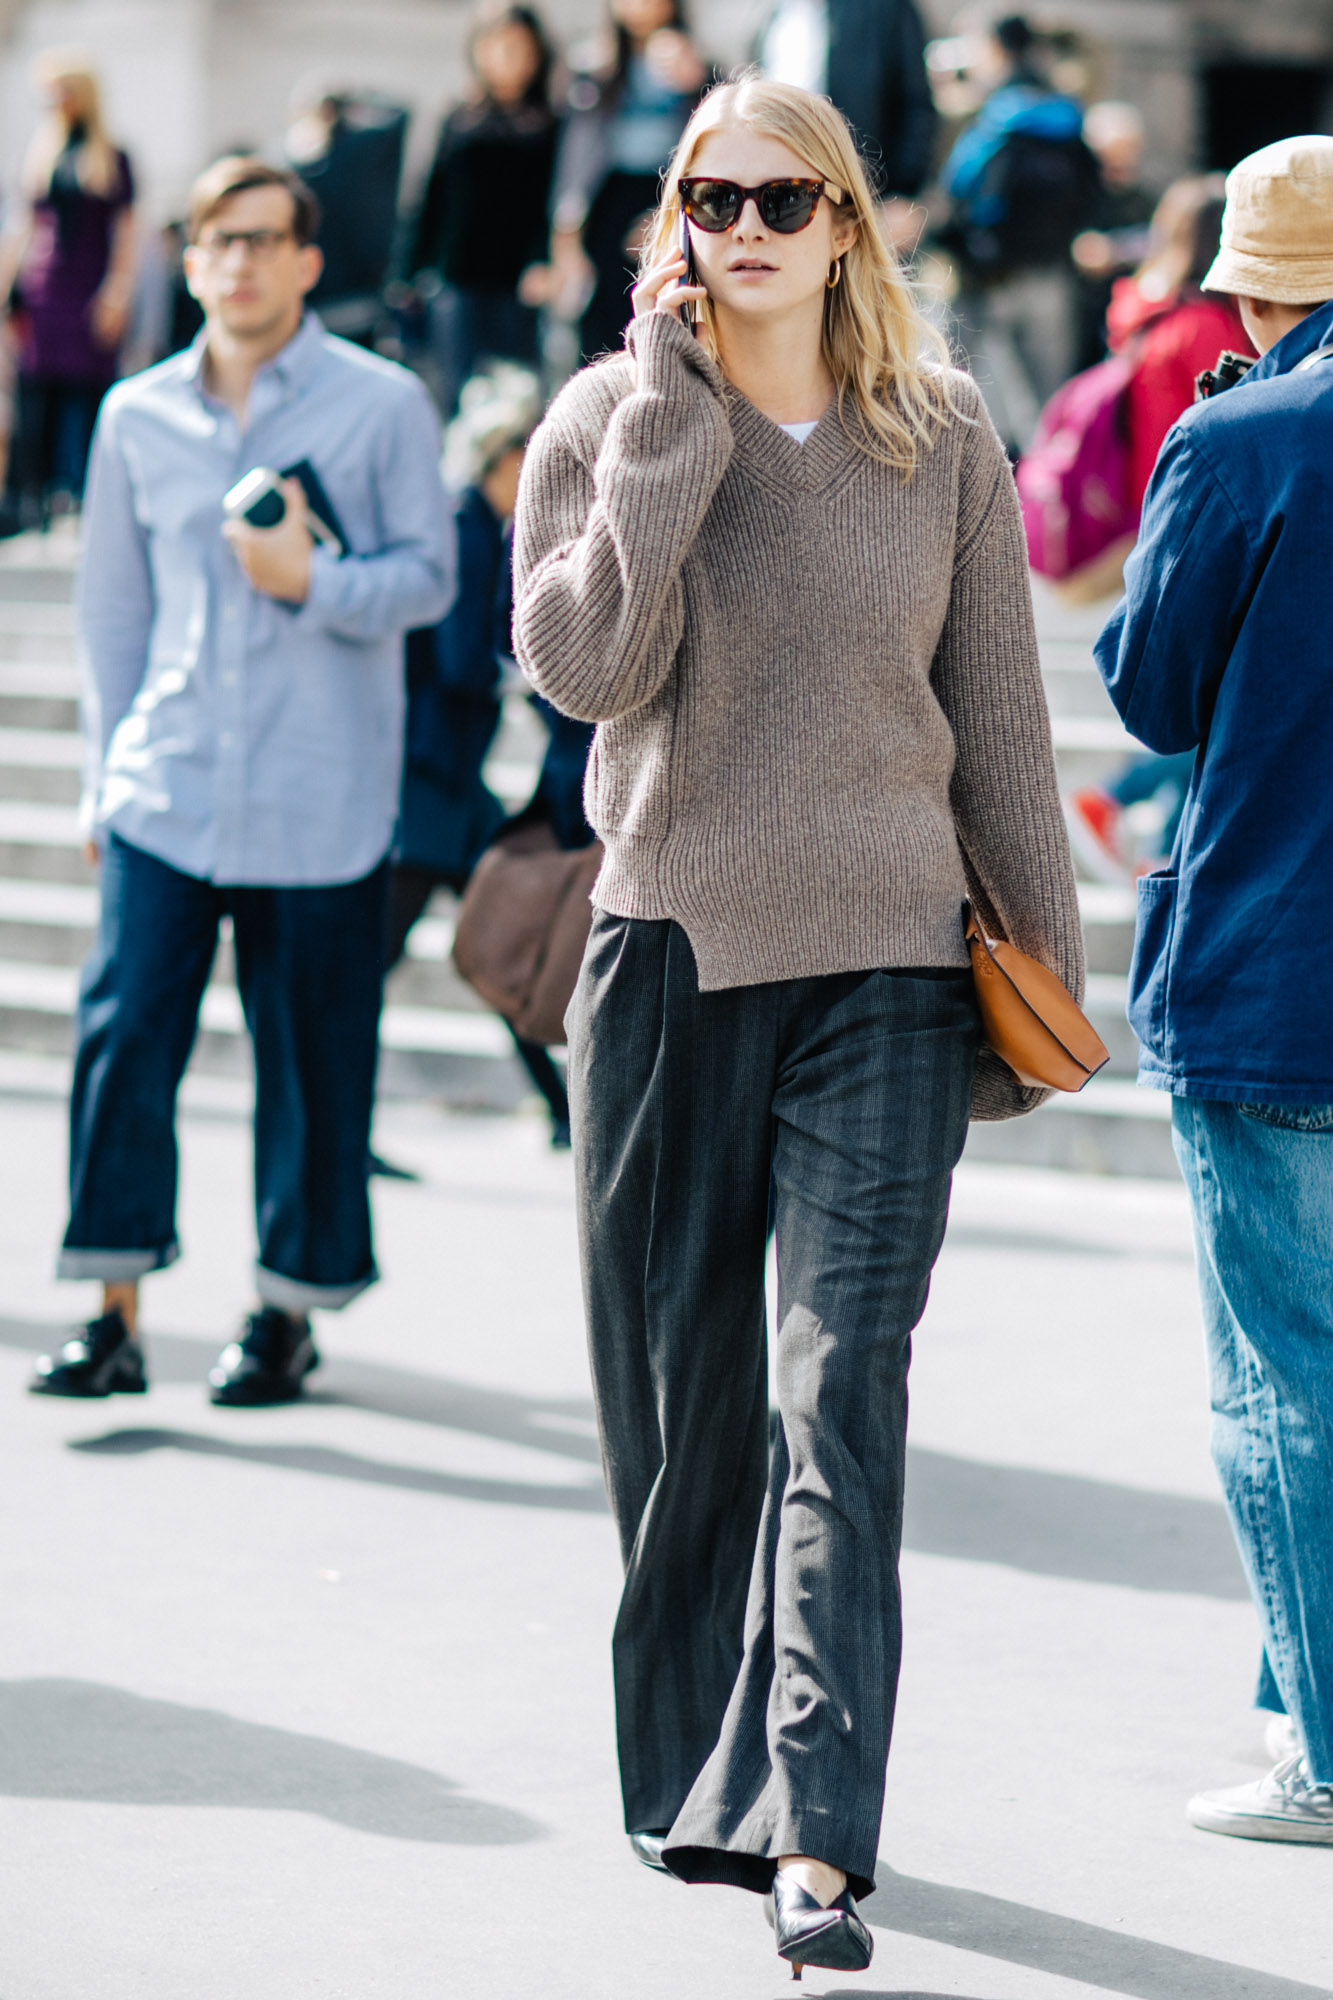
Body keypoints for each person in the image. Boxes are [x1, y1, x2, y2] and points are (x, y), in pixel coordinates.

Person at [513, 73, 1082, 1974]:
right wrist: (671, 428)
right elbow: (589, 668)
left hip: (888, 978)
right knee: (686, 1418)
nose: (739, 226)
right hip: (670, 961)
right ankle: (699, 1773)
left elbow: (998, 719)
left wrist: (1042, 980)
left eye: (777, 197)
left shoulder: (936, 435)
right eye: (707, 196)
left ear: (844, 220)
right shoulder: (604, 422)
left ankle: (821, 1830)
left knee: (841, 1388)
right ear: (672, 219)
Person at [29, 156, 452, 1408]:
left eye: (268, 239)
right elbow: (114, 611)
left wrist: (310, 585)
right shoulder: (136, 416)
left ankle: (285, 1311)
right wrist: (107, 778)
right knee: (123, 1042)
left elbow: (430, 580)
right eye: (221, 240)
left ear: (310, 262)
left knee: (311, 1060)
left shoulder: (380, 406)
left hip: (322, 800)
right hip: (168, 786)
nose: (244, 261)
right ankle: (112, 1311)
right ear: (194, 256)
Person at [1094, 134, 1333, 1845]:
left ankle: (1323, 1751)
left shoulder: (1240, 434)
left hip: (1275, 964)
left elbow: (1150, 697)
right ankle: (1290, 1701)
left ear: (1247, 287)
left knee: (1280, 1379)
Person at [385, 362, 590, 1149]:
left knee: (502, 938)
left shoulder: (484, 528)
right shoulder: (465, 528)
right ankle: (559, 1110)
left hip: (449, 784)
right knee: (458, 946)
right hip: (428, 782)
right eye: (525, 460)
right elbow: (459, 659)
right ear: (501, 459)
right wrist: (525, 674)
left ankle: (561, 1110)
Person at [1064, 177, 1252, 882]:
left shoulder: (1150, 315)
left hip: (1159, 518)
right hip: (1196, 529)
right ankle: (1125, 804)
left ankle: (1156, 843)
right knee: (1217, 693)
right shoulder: (1207, 331)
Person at [940, 14, 1098, 454]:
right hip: (1052, 273)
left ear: (996, 48)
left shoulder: (991, 114)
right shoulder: (1066, 112)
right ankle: (1048, 501)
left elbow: (958, 188)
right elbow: (1092, 188)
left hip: (991, 277)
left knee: (978, 407)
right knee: (1049, 409)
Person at [0, 51, 136, 526]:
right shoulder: (39, 156)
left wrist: (117, 293)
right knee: (39, 396)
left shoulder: (112, 158)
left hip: (88, 290)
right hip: (43, 292)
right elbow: (22, 228)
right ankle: (34, 501)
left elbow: (125, 233)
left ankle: (82, 498)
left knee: (87, 395)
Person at [408, 4, 559, 414]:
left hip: (518, 285)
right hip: (456, 279)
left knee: (516, 401)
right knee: (457, 397)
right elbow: (428, 199)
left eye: (519, 48)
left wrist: (543, 259)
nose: (508, 58)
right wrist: (405, 275)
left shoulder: (550, 123)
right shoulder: (456, 118)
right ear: (478, 52)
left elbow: (554, 203)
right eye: (499, 47)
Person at [539, 0, 708, 362]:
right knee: (602, 316)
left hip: (668, 193)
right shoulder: (592, 66)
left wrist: (699, 82)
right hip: (606, 198)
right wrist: (566, 228)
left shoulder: (696, 64)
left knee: (666, 304)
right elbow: (574, 155)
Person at [755, 0, 937, 252]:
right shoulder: (775, 18)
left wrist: (903, 193)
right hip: (787, 200)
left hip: (868, 198)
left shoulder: (885, 9)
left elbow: (916, 103)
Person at [283, 83, 409, 346]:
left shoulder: (356, 153)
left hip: (345, 293)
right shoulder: (299, 163)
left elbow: (400, 114)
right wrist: (360, 101)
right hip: (339, 291)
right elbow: (398, 113)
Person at [1071, 101, 1155, 370]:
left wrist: (1115, 251)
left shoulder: (1146, 199)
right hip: (1080, 310)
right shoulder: (1078, 194)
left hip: (1128, 312)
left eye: (1127, 149)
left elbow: (1163, 242)